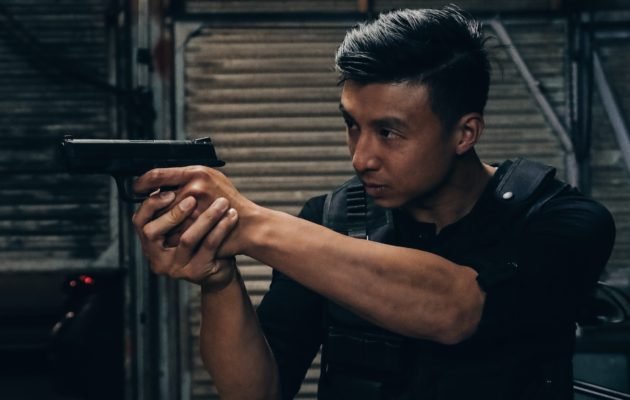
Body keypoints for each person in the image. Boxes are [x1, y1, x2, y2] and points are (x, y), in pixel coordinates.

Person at [131, 6, 615, 400]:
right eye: (352, 125)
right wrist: (218, 279)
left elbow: (457, 309)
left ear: (465, 133)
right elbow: (255, 393)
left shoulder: (563, 222)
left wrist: (251, 225)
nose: (361, 157)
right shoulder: (330, 221)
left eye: (389, 132)